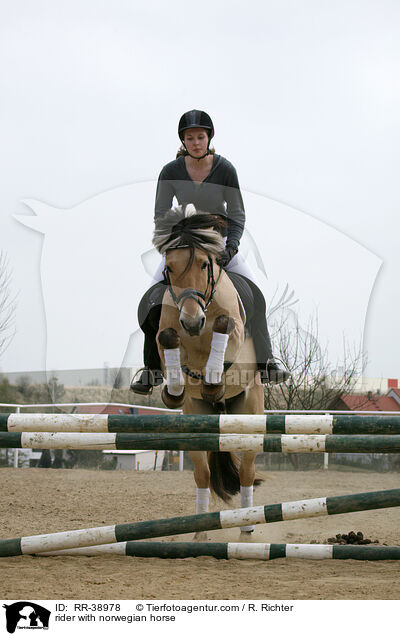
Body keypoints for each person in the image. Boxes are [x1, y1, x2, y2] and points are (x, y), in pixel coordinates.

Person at [131, 109, 290, 394]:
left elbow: (238, 213)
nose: (195, 143)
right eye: (189, 138)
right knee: (151, 301)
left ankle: (267, 363)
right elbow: (160, 214)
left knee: (257, 297)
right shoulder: (170, 172)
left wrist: (231, 246)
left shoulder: (225, 168)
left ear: (208, 138)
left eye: (200, 137)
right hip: (183, 246)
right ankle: (151, 370)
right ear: (183, 141)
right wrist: (171, 246)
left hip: (219, 244)